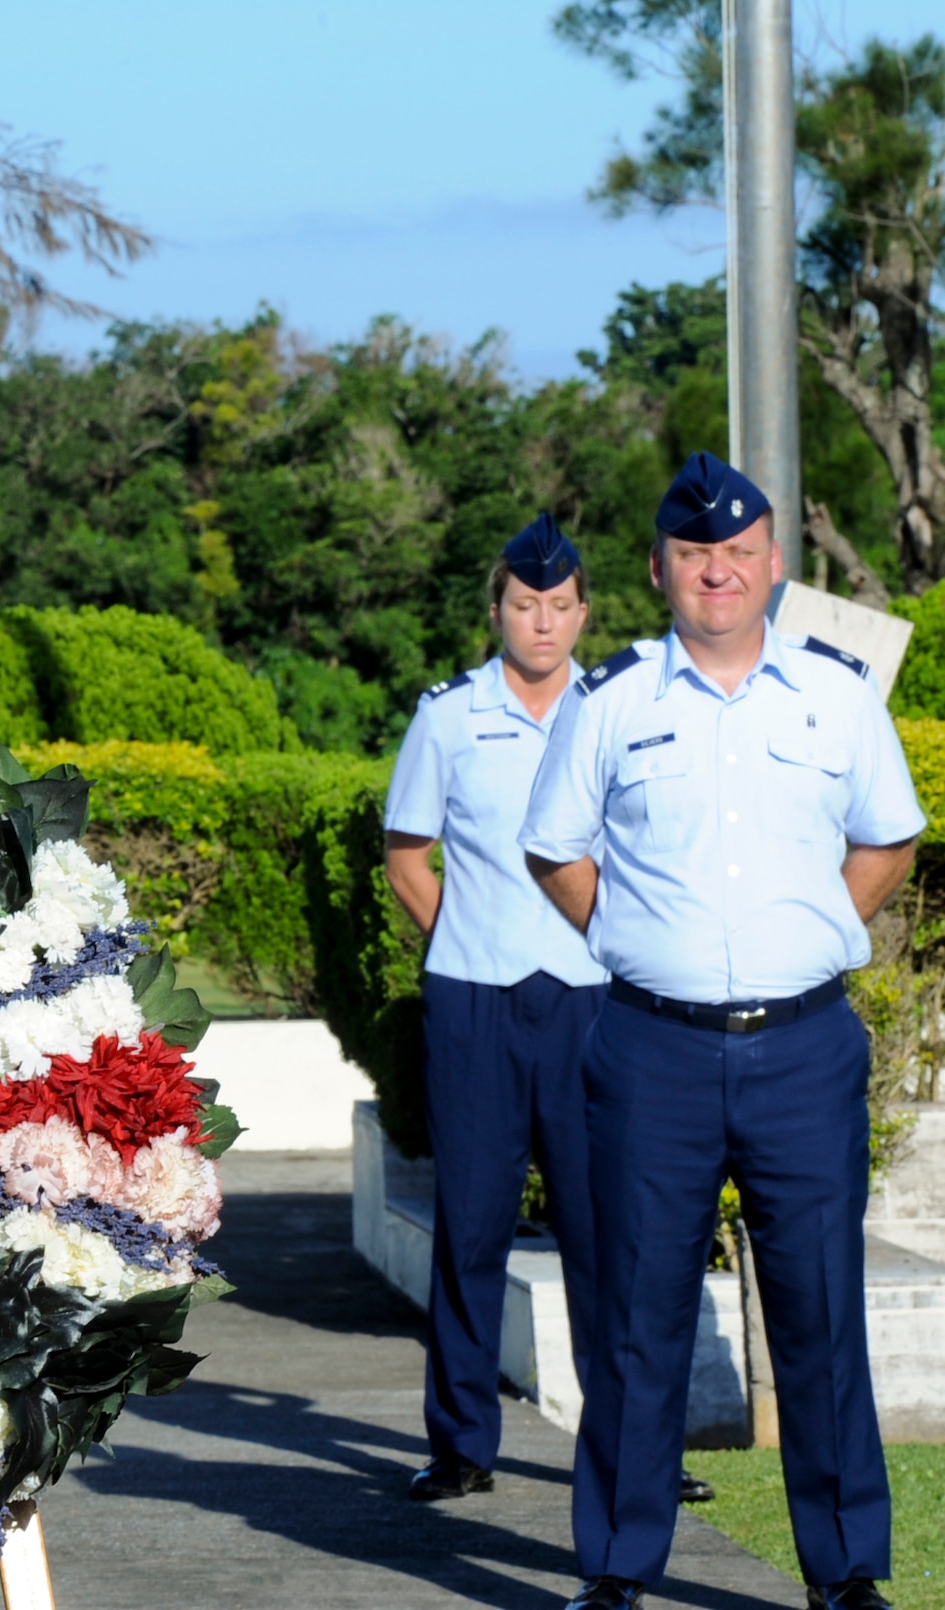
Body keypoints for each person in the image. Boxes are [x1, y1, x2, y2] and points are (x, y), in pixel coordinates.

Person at [522, 451, 920, 1610]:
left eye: (738, 552)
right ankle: (613, 1567)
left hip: (801, 1047)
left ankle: (843, 1570)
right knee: (639, 1318)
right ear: (656, 567)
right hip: (651, 1049)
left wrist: (810, 931)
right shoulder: (611, 700)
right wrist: (639, 942)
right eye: (694, 553)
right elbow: (554, 850)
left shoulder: (834, 694)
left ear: (773, 565)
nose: (717, 571)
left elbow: (886, 839)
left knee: (819, 1314)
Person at [384, 514, 609, 1502]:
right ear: (497, 611)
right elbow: (405, 855)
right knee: (469, 1226)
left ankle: (631, 1442)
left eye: (558, 606)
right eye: (524, 605)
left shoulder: (614, 712)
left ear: (581, 611)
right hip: (474, 1003)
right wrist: (462, 939)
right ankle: (461, 1442)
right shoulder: (447, 715)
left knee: (610, 1230)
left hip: (592, 1002)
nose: (542, 622)